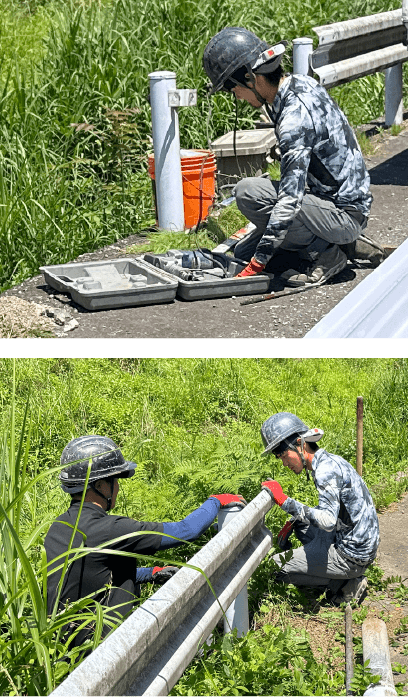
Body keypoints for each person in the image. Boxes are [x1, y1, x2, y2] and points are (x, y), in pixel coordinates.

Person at [202, 28, 385, 286]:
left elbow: (290, 201)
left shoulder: (294, 119)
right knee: (242, 253)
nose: (237, 97)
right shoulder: (300, 83)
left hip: (343, 213)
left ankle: (327, 253)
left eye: (234, 90)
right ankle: (344, 245)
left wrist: (258, 264)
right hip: (335, 204)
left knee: (248, 192)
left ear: (250, 78)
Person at [44, 435, 244, 649]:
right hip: (96, 646)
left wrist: (150, 573)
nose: (118, 488)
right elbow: (187, 531)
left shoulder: (58, 527)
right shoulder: (111, 530)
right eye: (115, 481)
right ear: (101, 485)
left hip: (60, 642)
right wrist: (215, 501)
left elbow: (92, 576)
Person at [259, 412, 380, 604]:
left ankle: (343, 584)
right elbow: (334, 509)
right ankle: (333, 572)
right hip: (359, 540)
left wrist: (284, 501)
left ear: (300, 444)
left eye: (283, 455)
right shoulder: (330, 460)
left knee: (274, 567)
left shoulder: (325, 471)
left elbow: (327, 520)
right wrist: (294, 519)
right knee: (301, 526)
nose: (284, 463)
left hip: (352, 555)